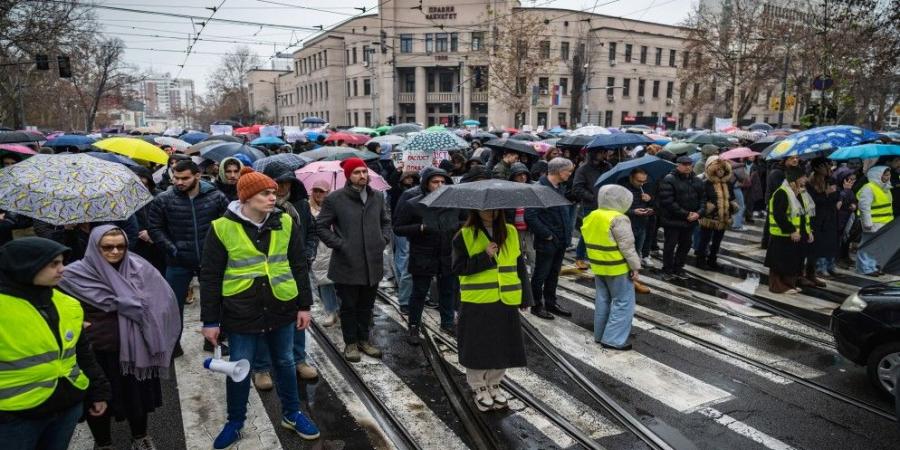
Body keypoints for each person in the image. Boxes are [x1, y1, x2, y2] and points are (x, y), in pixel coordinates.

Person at [199, 168, 319, 448]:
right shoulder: (221, 227)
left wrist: (305, 305)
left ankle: (291, 413)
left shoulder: (285, 221)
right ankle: (235, 421)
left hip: (281, 305)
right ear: (247, 197)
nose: (272, 198)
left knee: (286, 362)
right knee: (240, 367)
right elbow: (210, 276)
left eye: (273, 193)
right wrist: (210, 320)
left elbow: (298, 264)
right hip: (241, 309)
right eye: (266, 193)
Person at [58, 226, 180, 450]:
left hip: (135, 348)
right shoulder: (73, 275)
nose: (115, 251)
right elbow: (58, 309)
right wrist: (76, 322)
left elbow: (162, 301)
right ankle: (104, 443)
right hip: (96, 352)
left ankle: (140, 437)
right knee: (98, 400)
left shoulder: (139, 268)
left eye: (121, 246)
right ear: (94, 248)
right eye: (107, 247)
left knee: (138, 398)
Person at [0, 238, 110, 450]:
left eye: (61, 262)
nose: (62, 269)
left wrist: (98, 391)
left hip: (66, 409)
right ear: (25, 265)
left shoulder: (68, 304)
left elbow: (83, 353)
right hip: (14, 418)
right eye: (53, 264)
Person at [451, 209, 533, 412]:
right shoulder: (465, 234)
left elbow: (519, 265)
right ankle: (479, 386)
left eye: (495, 209)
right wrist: (484, 256)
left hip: (506, 298)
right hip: (478, 300)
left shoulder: (511, 231)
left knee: (502, 344)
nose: (490, 212)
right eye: (486, 209)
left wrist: (526, 296)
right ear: (475, 210)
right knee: (478, 345)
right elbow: (458, 268)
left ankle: (495, 383)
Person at [147, 160, 229, 356]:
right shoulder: (164, 200)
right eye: (176, 178)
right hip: (178, 260)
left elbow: (228, 224)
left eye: (185, 178)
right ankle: (173, 345)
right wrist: (172, 249)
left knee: (214, 300)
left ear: (197, 176)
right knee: (172, 305)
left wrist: (218, 250)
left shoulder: (216, 197)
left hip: (209, 260)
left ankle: (213, 340)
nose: (179, 182)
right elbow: (155, 228)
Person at [316, 158, 392, 362]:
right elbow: (321, 226)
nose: (362, 176)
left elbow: (385, 221)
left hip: (372, 263)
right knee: (348, 306)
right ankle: (350, 343)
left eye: (364, 172)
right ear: (348, 175)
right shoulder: (335, 199)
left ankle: (363, 340)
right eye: (357, 172)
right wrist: (341, 244)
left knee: (366, 306)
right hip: (347, 264)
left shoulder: (377, 197)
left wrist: (383, 239)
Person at [251, 164, 320, 389]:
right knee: (262, 320)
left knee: (298, 317)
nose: (282, 187)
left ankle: (299, 359)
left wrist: (308, 252)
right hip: (264, 273)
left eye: (287, 182)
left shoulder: (299, 204)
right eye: (277, 183)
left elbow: (311, 231)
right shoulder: (258, 206)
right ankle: (261, 367)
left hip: (295, 269)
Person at [393, 167, 462, 344]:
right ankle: (414, 326)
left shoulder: (454, 202)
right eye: (435, 182)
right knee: (419, 292)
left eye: (443, 182)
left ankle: (447, 323)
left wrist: (457, 226)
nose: (439, 185)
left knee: (448, 290)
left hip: (447, 253)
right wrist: (420, 228)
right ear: (426, 184)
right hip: (423, 255)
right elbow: (398, 228)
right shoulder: (414, 203)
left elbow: (465, 220)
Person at [582, 185, 641, 350]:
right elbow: (627, 247)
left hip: (598, 266)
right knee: (623, 302)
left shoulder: (592, 215)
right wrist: (635, 267)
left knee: (603, 300)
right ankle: (613, 339)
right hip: (617, 267)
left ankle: (600, 335)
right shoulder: (618, 218)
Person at [525, 157, 575, 320]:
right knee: (541, 274)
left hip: (560, 241)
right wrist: (547, 235)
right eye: (568, 171)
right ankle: (536, 305)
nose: (570, 174)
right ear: (560, 171)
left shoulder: (558, 187)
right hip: (547, 241)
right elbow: (531, 216)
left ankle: (551, 303)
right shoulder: (539, 189)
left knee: (553, 273)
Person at [765, 167, 814, 293]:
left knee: (791, 261)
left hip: (795, 234)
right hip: (782, 234)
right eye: (803, 177)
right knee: (779, 262)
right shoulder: (782, 193)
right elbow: (779, 215)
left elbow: (804, 215)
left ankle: (789, 284)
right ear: (795, 179)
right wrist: (791, 230)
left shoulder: (800, 193)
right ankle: (777, 286)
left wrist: (808, 231)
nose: (806, 179)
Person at [657, 156, 705, 281]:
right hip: (673, 220)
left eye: (689, 164)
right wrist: (686, 214)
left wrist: (698, 213)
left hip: (690, 221)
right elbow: (668, 201)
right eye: (684, 164)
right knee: (670, 245)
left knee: (685, 245)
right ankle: (667, 269)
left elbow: (703, 200)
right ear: (677, 165)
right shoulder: (669, 179)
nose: (687, 166)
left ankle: (678, 268)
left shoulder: (696, 180)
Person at [572, 149, 612, 270]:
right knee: (588, 231)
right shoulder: (583, 169)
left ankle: (597, 255)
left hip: (606, 203)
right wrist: (592, 197)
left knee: (604, 230)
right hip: (591, 205)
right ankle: (579, 257)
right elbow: (577, 188)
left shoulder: (607, 166)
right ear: (594, 153)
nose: (605, 154)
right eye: (602, 152)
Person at [696, 156, 738, 271]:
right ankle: (700, 260)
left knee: (717, 242)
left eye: (723, 170)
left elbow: (732, 198)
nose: (721, 172)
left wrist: (732, 207)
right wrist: (710, 207)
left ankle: (712, 259)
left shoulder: (728, 184)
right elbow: (701, 200)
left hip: (723, 217)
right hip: (710, 217)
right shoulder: (706, 183)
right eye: (718, 169)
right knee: (704, 240)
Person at [308, 180, 340, 326]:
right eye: (316, 190)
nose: (318, 194)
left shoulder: (336, 206)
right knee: (324, 281)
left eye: (322, 191)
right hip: (319, 249)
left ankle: (342, 309)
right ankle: (331, 311)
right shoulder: (307, 208)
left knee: (341, 281)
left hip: (336, 246)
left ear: (328, 192)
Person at [620, 168, 653, 293]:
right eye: (639, 181)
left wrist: (649, 202)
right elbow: (617, 209)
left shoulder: (644, 188)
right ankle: (625, 281)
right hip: (627, 227)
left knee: (636, 254)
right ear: (631, 178)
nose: (641, 184)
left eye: (644, 181)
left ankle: (633, 280)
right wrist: (633, 211)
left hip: (641, 225)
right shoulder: (623, 190)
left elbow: (655, 205)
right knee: (626, 255)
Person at [856, 165, 893, 276]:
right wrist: (867, 222)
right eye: (885, 175)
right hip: (873, 223)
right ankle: (865, 268)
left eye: (888, 174)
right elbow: (864, 206)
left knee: (876, 246)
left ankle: (872, 267)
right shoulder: (869, 188)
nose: (888, 177)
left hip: (884, 222)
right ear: (877, 175)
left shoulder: (885, 188)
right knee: (867, 246)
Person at [807, 159, 840, 279]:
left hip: (830, 215)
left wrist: (834, 195)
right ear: (817, 168)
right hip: (818, 217)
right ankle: (821, 267)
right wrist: (826, 193)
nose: (828, 169)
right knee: (820, 243)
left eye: (829, 166)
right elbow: (813, 201)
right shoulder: (810, 182)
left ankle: (830, 265)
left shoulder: (831, 180)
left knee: (831, 242)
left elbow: (836, 195)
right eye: (826, 166)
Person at [762, 155, 800, 249]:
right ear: (785, 160)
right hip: (775, 202)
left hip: (785, 203)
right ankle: (767, 243)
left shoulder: (791, 171)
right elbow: (780, 190)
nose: (795, 160)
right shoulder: (778, 173)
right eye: (792, 158)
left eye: (797, 158)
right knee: (771, 224)